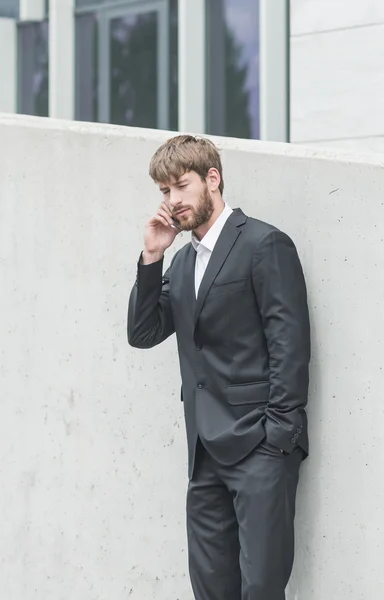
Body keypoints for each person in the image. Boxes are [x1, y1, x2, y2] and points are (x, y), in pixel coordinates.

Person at [127, 135, 311, 600]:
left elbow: (289, 345)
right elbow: (143, 332)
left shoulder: (264, 244)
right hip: (205, 453)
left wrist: (279, 437)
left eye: (180, 187)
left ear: (213, 179)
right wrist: (153, 256)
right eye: (164, 192)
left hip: (259, 447)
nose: (172, 201)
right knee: (211, 589)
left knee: (262, 589)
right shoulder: (183, 260)